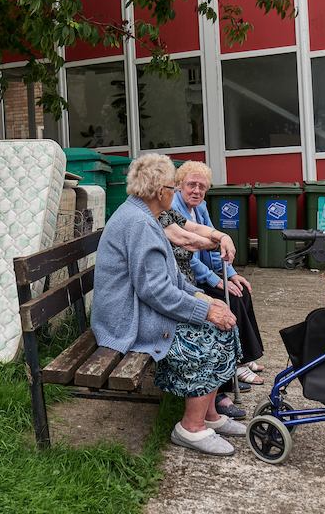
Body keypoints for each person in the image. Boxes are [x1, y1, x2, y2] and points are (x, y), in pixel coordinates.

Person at [91, 153, 247, 456]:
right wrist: (206, 311)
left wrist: (203, 298)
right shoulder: (138, 223)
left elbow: (172, 278)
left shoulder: (146, 217)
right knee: (211, 336)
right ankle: (190, 428)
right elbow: (155, 291)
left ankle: (210, 416)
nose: (175, 193)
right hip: (127, 320)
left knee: (224, 325)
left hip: (138, 306)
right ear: (159, 191)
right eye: (172, 188)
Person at [170, 161, 267, 389]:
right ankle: (237, 364)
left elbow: (214, 245)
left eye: (202, 186)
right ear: (179, 185)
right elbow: (187, 256)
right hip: (188, 279)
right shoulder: (174, 207)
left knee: (240, 290)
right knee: (230, 298)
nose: (196, 191)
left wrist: (231, 274)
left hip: (204, 274)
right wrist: (217, 280)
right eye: (191, 185)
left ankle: (246, 356)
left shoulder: (200, 206)